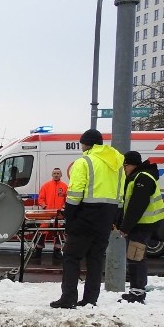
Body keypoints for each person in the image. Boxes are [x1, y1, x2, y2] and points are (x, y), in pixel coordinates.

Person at [50, 129, 124, 308]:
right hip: (107, 216)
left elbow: (74, 194)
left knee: (71, 257)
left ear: (86, 144)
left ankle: (68, 298)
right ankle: (91, 299)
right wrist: (116, 218)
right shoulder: (117, 164)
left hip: (86, 215)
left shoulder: (84, 162)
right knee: (96, 258)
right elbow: (120, 194)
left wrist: (70, 218)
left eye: (81, 143)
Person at [117, 150, 164, 303]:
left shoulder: (142, 178)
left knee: (136, 258)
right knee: (136, 257)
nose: (124, 170)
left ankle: (137, 293)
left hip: (142, 226)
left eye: (125, 167)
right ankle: (136, 290)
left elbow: (137, 206)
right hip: (141, 225)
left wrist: (125, 227)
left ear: (130, 165)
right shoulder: (141, 176)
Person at [33, 167, 68, 259]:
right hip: (47, 214)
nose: (56, 175)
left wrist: (63, 208)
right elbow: (40, 199)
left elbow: (67, 200)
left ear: (61, 175)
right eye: (54, 173)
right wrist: (45, 206)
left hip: (59, 214)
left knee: (58, 232)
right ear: (52, 175)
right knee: (42, 231)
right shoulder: (46, 186)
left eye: (58, 173)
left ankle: (57, 252)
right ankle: (38, 251)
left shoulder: (65, 187)